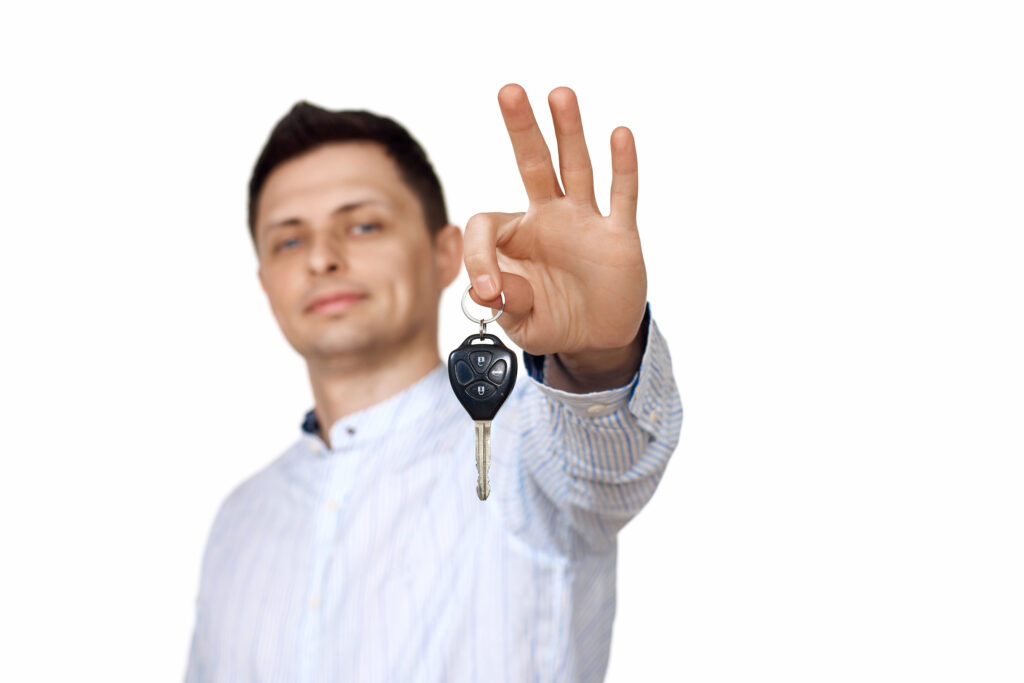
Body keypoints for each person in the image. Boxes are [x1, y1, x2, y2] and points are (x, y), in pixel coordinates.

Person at [185, 84, 683, 682]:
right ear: (266, 283)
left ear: (446, 254)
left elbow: (603, 459)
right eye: (289, 240)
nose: (321, 259)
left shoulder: (529, 447)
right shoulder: (237, 520)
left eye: (363, 226)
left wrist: (596, 356)